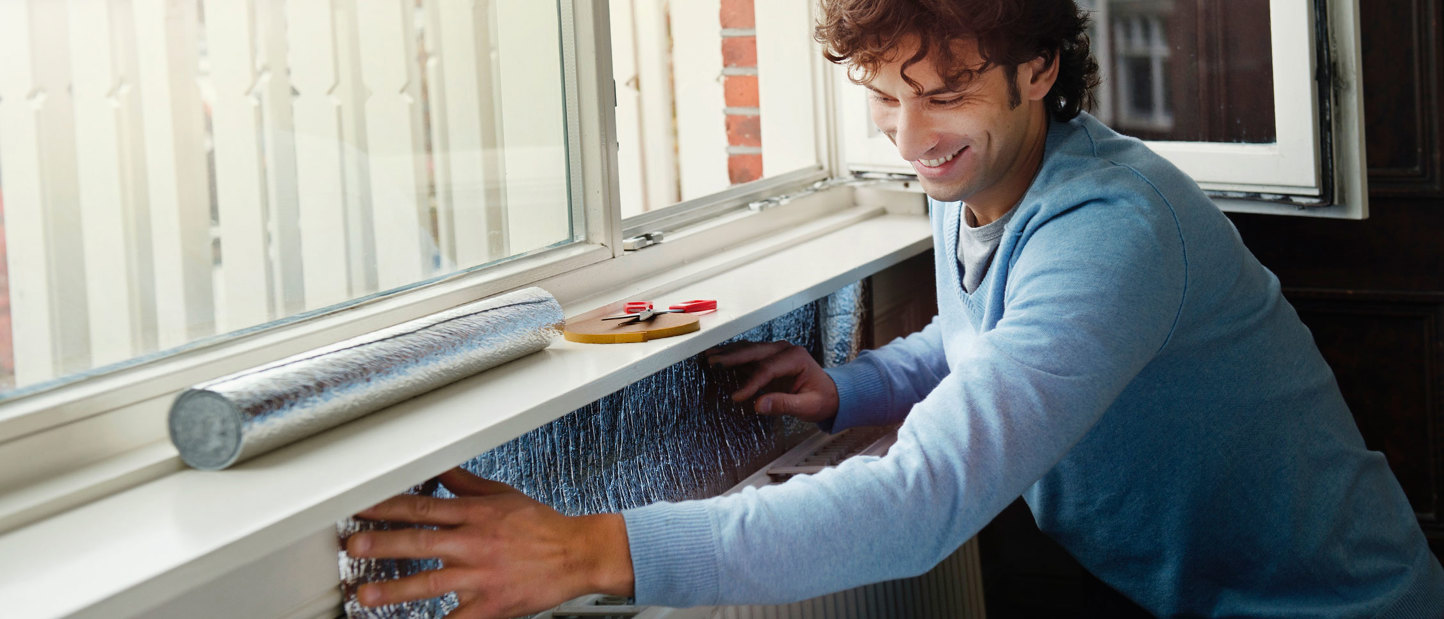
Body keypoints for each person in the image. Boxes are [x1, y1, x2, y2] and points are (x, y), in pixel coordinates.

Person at [345, 1, 1444, 616]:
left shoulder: (1112, 231)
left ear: (1037, 72)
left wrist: (593, 551)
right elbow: (980, 336)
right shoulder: (979, 179)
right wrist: (853, 385)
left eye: (944, 94)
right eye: (882, 98)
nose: (910, 139)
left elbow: (923, 500)